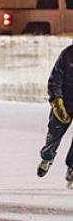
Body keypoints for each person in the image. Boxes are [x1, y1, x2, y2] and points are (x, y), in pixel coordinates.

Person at [36, 42, 73, 187]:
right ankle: (47, 157)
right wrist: (57, 101)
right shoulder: (68, 55)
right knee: (54, 134)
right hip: (65, 102)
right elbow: (55, 80)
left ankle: (72, 167)